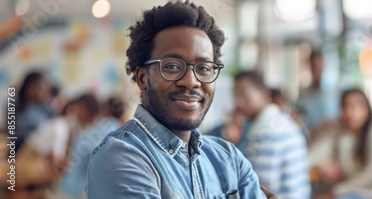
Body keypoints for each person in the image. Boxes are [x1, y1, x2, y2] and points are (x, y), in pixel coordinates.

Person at [86, 2, 276, 198]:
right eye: (172, 66)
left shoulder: (229, 158)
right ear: (143, 78)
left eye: (203, 68)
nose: (191, 82)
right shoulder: (121, 157)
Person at [233, 71, 311, 198]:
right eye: (235, 96)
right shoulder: (281, 122)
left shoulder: (265, 131)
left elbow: (260, 186)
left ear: (264, 95)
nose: (238, 103)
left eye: (244, 95)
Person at [309, 89, 372, 199]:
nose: (352, 112)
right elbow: (311, 156)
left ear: (367, 108)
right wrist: (320, 165)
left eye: (357, 105)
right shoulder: (340, 133)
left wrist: (336, 191)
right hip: (349, 193)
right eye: (347, 106)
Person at [296, 49, 338, 130]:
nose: (317, 69)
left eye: (319, 65)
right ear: (309, 66)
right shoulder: (303, 94)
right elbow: (299, 115)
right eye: (314, 65)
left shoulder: (335, 90)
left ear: (323, 64)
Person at [14, 71, 54, 152]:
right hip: (22, 147)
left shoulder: (42, 105)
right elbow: (18, 131)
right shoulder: (15, 104)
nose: (44, 94)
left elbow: (54, 119)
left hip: (39, 147)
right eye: (41, 89)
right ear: (30, 87)